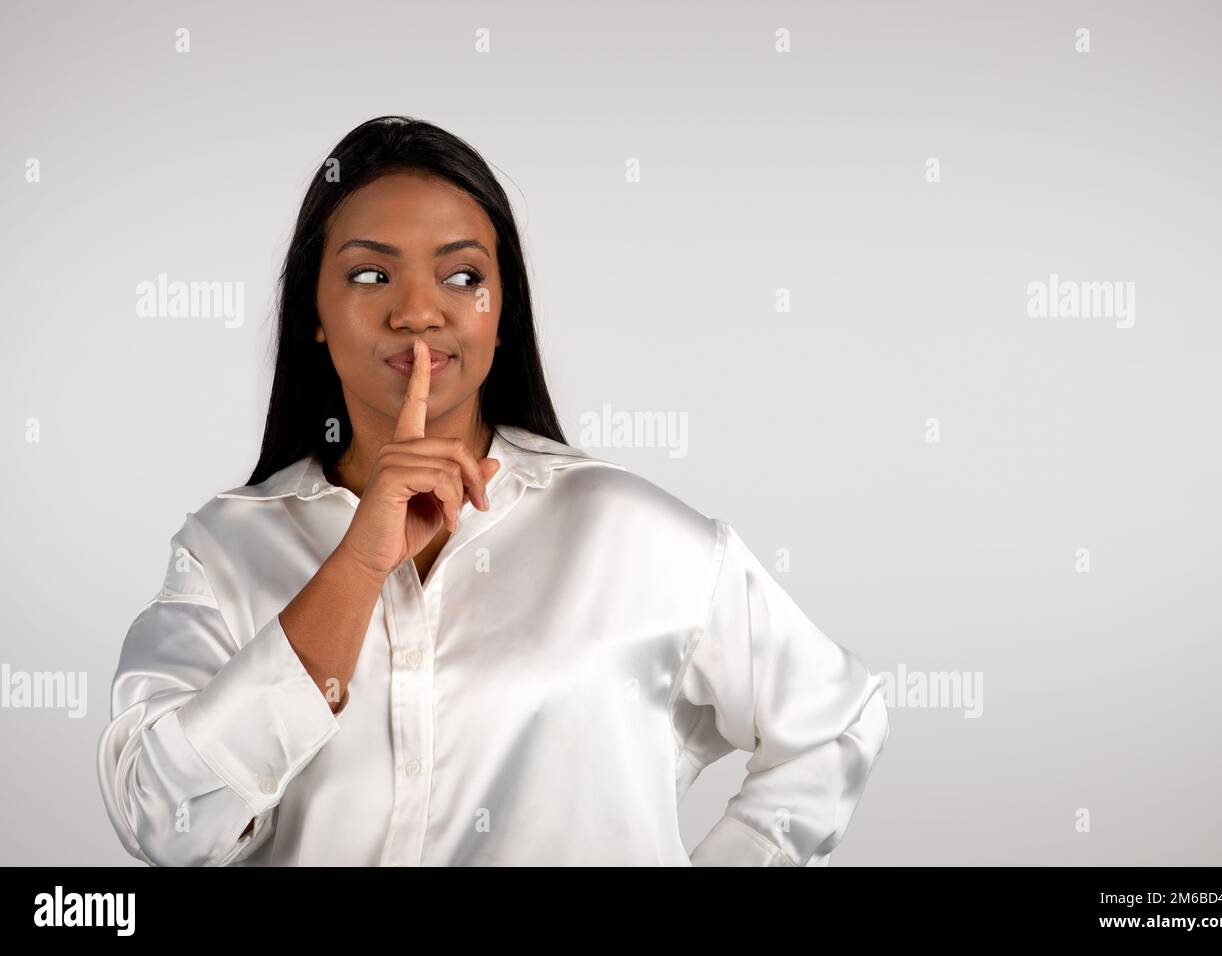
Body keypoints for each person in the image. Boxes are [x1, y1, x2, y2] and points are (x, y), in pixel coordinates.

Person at [95, 116, 890, 866]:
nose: (417, 311)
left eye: (462, 275)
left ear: (501, 311)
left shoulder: (627, 531)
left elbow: (836, 721)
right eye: (370, 274)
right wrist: (356, 567)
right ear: (315, 312)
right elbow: (164, 823)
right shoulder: (227, 550)